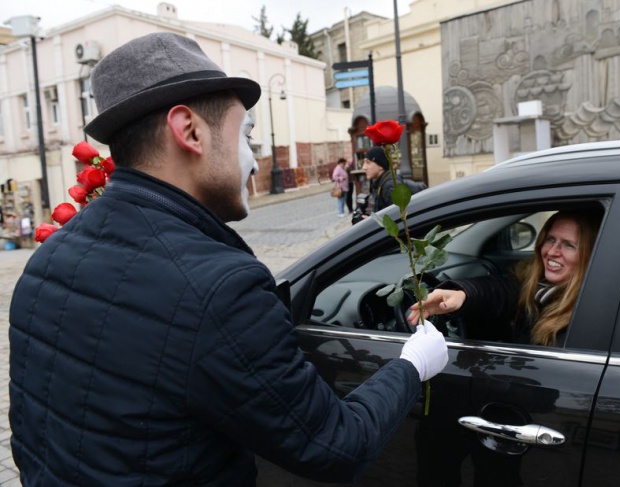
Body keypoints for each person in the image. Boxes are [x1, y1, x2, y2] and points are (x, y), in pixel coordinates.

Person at [9, 32, 448, 486]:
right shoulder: (221, 289)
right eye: (247, 136)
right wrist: (412, 364)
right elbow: (336, 446)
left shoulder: (50, 256)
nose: (255, 161)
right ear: (189, 131)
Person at [409, 209, 602, 346]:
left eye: (569, 245)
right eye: (550, 240)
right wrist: (462, 296)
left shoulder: (589, 311)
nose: (552, 251)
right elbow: (500, 290)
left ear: (589, 254)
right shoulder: (534, 283)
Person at [363, 145, 395, 213]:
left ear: (381, 166)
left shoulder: (389, 187)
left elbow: (395, 218)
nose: (364, 167)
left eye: (368, 162)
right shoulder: (381, 183)